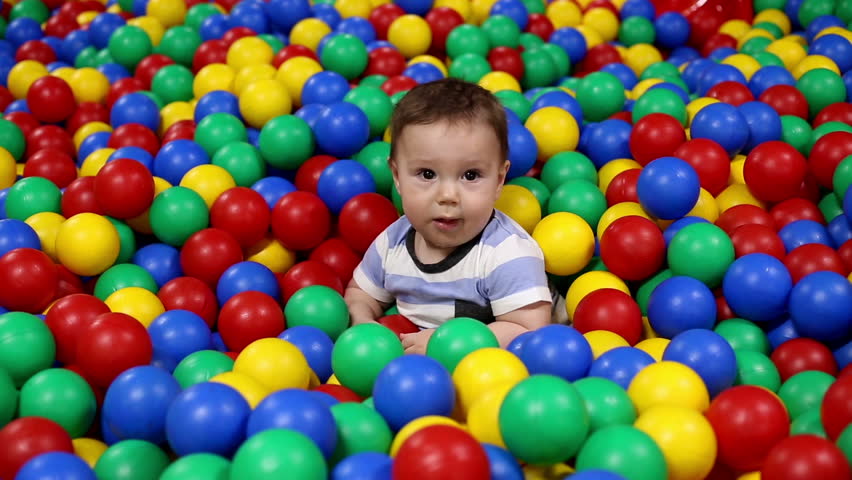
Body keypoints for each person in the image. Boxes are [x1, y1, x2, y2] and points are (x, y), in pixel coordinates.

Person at [344, 78, 556, 354]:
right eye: (427, 174)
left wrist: (445, 344)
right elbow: (360, 293)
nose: (448, 195)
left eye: (471, 175)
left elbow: (528, 331)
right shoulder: (392, 243)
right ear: (397, 176)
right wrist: (363, 323)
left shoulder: (506, 252)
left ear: (499, 180)